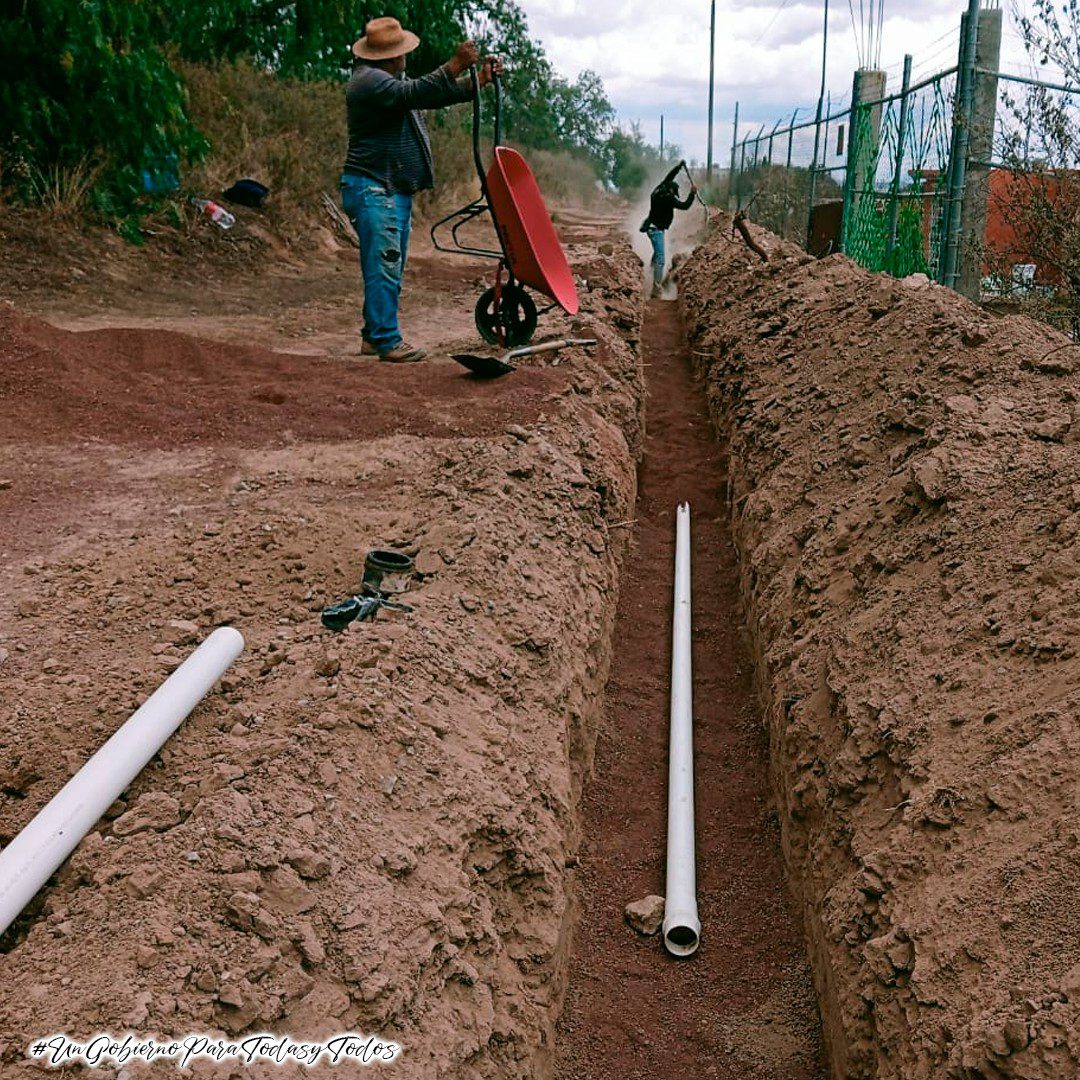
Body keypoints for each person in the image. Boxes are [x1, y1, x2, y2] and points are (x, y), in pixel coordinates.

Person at [341, 18, 501, 362]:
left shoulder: (386, 81)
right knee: (384, 265)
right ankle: (386, 339)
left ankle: (374, 335)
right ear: (391, 56)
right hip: (374, 187)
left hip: (388, 188)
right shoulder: (370, 83)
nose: (406, 58)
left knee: (389, 267)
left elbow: (431, 95)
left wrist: (480, 81)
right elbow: (416, 93)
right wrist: (455, 64)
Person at [640, 162, 696, 298]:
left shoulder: (659, 189)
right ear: (672, 191)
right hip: (656, 230)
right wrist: (692, 194)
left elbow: (669, 177)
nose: (675, 194)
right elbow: (685, 206)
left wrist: (678, 167)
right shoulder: (668, 198)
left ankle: (649, 274)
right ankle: (656, 289)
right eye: (674, 193)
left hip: (651, 227)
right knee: (661, 259)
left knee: (657, 254)